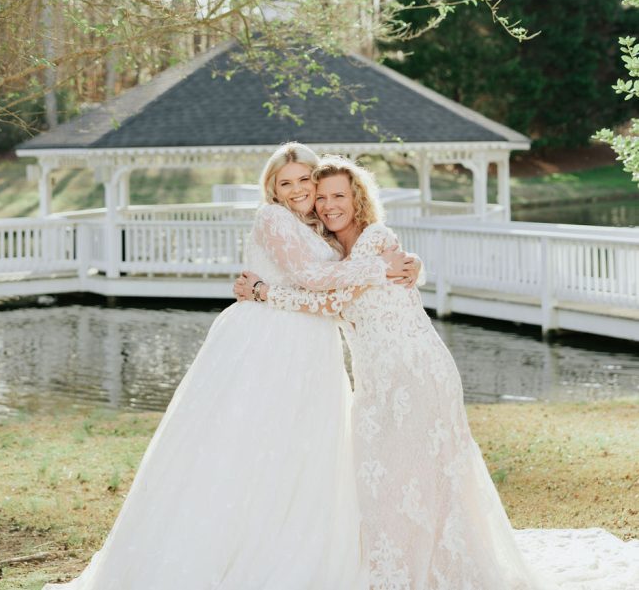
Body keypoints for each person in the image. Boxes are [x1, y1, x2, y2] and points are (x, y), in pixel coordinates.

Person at [237, 156, 639, 590]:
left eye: (339, 195)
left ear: (357, 200)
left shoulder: (378, 241)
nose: (329, 204)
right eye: (322, 197)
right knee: (384, 480)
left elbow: (330, 301)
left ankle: (435, 569)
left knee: (427, 476)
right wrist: (271, 290)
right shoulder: (337, 256)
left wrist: (264, 291)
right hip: (375, 384)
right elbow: (330, 296)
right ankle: (393, 567)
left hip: (417, 373)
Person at [43, 142, 418, 590]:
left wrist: (412, 265)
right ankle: (230, 551)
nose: (299, 190)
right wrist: (380, 269)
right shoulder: (273, 218)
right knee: (250, 443)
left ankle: (289, 543)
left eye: (305, 181)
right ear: (272, 188)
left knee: (302, 449)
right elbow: (313, 279)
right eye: (287, 182)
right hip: (271, 341)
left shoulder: (318, 227)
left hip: (312, 344)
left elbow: (342, 278)